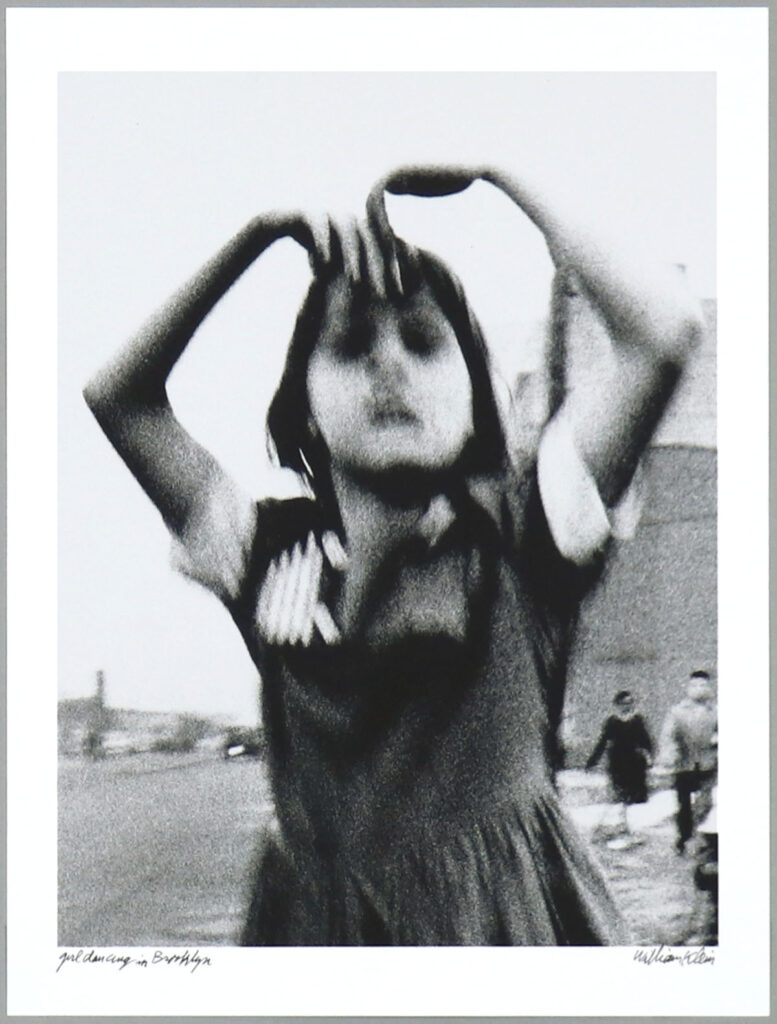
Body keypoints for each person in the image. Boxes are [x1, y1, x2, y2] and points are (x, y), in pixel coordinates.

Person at [83, 163, 703, 945]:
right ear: (302, 408)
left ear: (478, 395)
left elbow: (664, 336)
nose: (388, 365)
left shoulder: (524, 535)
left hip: (506, 937)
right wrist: (258, 232)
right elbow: (118, 397)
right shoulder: (269, 558)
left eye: (422, 341)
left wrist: (501, 170)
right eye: (348, 345)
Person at [659, 669, 717, 855]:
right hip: (684, 764)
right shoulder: (677, 711)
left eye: (703, 685)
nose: (699, 689)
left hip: (707, 763)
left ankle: (703, 838)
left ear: (709, 687)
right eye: (694, 685)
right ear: (688, 687)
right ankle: (684, 838)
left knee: (705, 802)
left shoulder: (715, 711)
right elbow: (668, 736)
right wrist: (670, 753)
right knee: (683, 805)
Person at [586, 690, 653, 849]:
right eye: (623, 703)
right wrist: (592, 761)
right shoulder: (612, 722)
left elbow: (646, 741)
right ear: (617, 705)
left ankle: (628, 828)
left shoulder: (638, 721)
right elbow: (602, 742)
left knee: (633, 798)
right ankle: (620, 828)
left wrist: (649, 757)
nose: (627, 706)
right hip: (617, 764)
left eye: (630, 703)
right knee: (619, 796)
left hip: (635, 764)